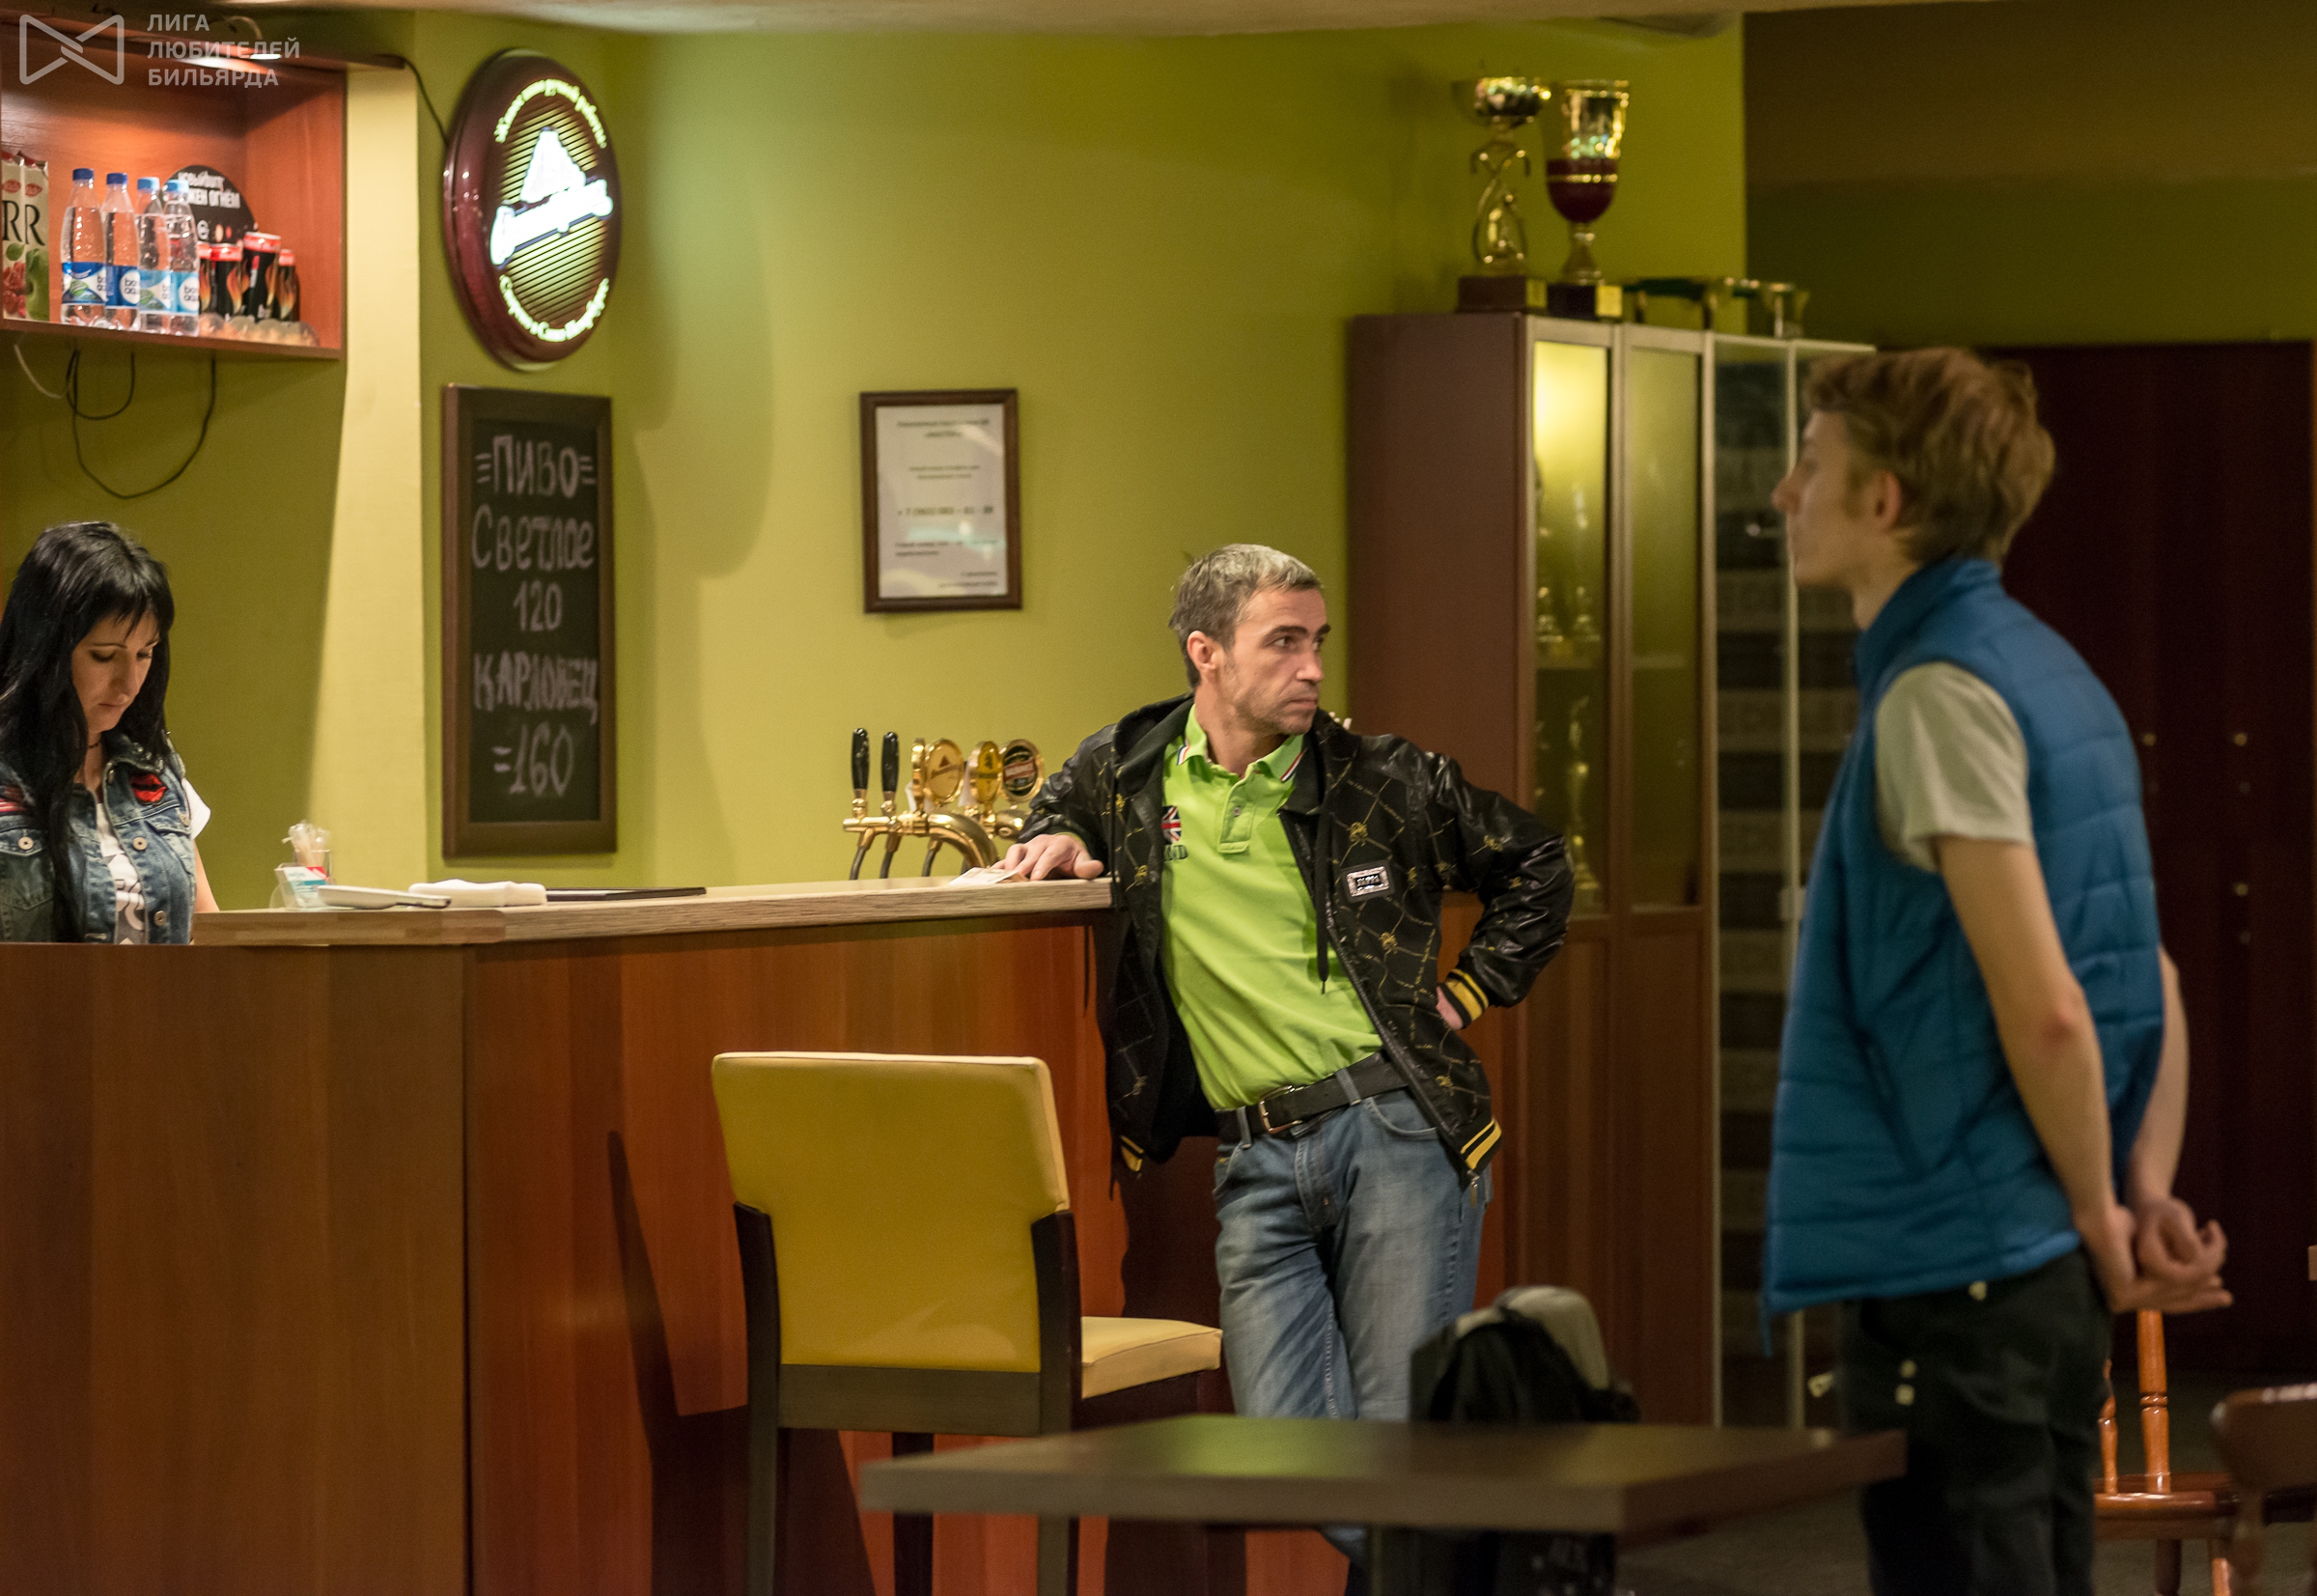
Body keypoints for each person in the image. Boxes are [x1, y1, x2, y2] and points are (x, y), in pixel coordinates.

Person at [1003, 544, 1572, 1583]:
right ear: (1206, 652)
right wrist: (1059, 838)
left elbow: (1538, 861)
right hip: (1254, 1160)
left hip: (1395, 1130)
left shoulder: (1384, 777)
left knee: (1394, 1457)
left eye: (1318, 641)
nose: (1312, 667)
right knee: (1297, 1460)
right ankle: (1520, 1553)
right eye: (1283, 643)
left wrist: (1467, 992)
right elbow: (1056, 809)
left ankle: (1493, 1550)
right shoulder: (1129, 766)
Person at [1760, 350, 2229, 1596]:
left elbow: (2052, 1009)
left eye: (1810, 464)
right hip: (2023, 1263)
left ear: (1885, 501)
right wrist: (2136, 1186)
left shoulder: (1937, 693)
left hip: (1959, 1263)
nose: (1783, 494)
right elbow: (2150, 973)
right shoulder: (2051, 671)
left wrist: (2101, 1214)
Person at [0, 521, 217, 942]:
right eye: (104, 656)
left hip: (162, 990)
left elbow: (206, 930)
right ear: (43, 651)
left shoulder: (154, 769)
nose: (130, 684)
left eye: (145, 654)